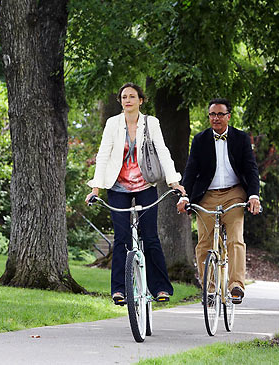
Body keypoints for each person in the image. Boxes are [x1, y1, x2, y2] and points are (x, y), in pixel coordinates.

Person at [85, 82, 186, 305]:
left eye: (132, 96)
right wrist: (95, 188)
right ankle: (119, 290)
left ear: (141, 100)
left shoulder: (151, 123)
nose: (127, 100)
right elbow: (103, 155)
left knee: (150, 237)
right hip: (117, 187)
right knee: (121, 239)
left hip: (145, 186)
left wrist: (174, 182)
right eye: (124, 97)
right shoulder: (113, 123)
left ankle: (160, 288)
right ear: (120, 102)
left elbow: (162, 151)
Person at [177, 98, 260, 304]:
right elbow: (191, 170)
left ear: (228, 117)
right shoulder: (200, 140)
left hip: (234, 193)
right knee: (204, 243)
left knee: (235, 239)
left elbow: (251, 169)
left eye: (220, 114)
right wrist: (185, 195)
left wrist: (253, 195)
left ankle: (236, 286)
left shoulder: (240, 139)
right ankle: (211, 290)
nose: (216, 118)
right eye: (212, 114)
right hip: (207, 196)